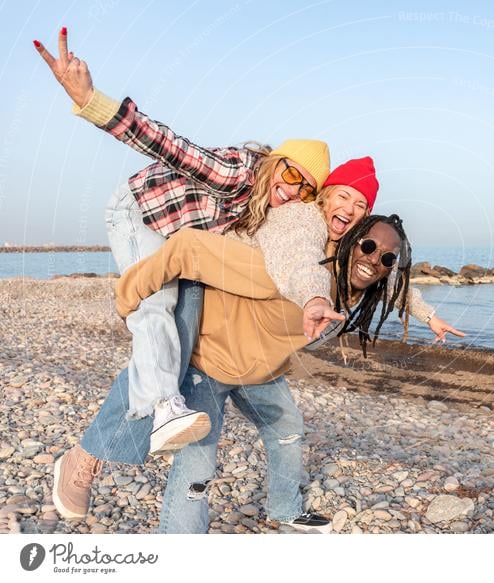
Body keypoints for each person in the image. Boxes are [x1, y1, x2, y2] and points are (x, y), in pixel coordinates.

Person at [34, 28, 335, 455]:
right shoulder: (237, 172)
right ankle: (164, 408)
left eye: (306, 190)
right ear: (275, 161)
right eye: (291, 175)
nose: (292, 191)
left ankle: (97, 451)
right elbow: (171, 146)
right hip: (139, 211)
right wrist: (91, 102)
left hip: (181, 242)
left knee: (185, 324)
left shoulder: (271, 212)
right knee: (156, 302)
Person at [59, 214, 419, 533]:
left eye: (387, 257)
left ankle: (286, 509)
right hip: (210, 364)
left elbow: (395, 287)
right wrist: (128, 298)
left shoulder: (356, 286)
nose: (374, 259)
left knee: (288, 429)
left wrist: (429, 315)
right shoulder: (287, 268)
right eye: (368, 246)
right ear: (348, 242)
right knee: (197, 469)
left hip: (259, 373)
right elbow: (190, 248)